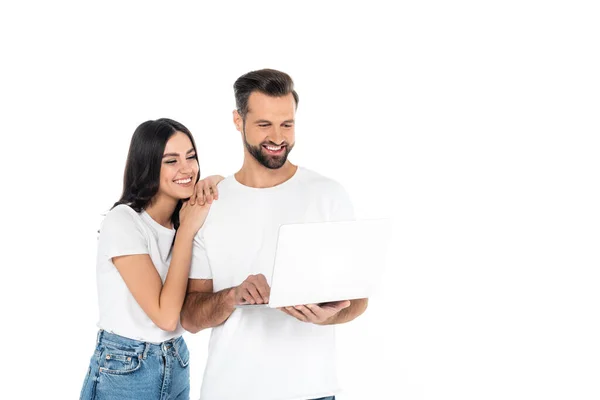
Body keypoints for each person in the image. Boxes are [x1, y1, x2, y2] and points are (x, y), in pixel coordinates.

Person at [180, 69, 368, 400]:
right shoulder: (209, 203)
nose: (278, 137)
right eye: (264, 124)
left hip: (312, 392)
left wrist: (326, 315)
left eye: (287, 124)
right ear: (238, 121)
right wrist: (231, 296)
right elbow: (191, 317)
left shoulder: (328, 196)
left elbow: (358, 300)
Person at [79, 118, 223, 400]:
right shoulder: (123, 222)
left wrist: (214, 181)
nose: (187, 168)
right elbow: (166, 317)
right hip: (125, 367)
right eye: (171, 161)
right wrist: (187, 232)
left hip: (176, 359)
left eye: (191, 157)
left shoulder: (184, 218)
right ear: (148, 166)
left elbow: (229, 189)